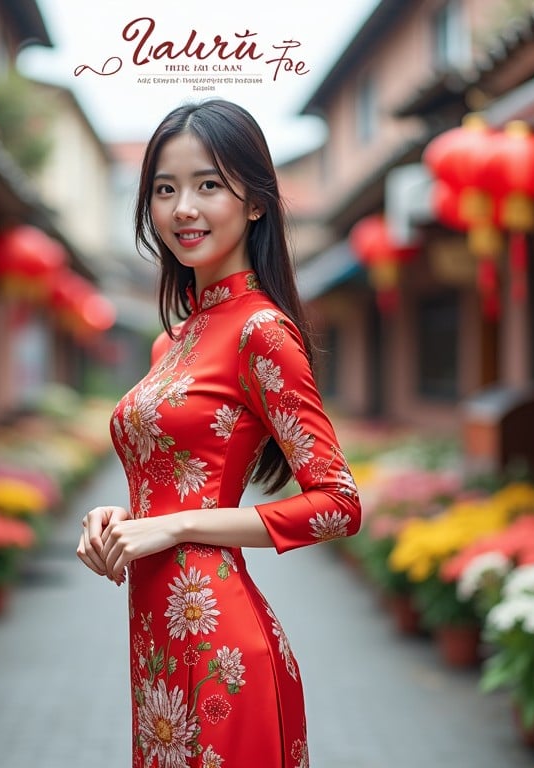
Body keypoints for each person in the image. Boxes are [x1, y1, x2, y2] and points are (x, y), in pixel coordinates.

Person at [77, 98, 362, 768]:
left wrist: (177, 527)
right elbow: (168, 484)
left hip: (222, 653)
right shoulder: (172, 342)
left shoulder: (261, 332)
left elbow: (338, 504)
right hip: (156, 643)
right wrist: (121, 518)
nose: (184, 209)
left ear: (255, 202)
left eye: (209, 184)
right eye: (165, 189)